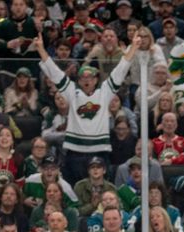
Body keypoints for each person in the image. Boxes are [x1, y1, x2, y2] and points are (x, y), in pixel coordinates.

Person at [35, 31, 141, 184]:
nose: (86, 80)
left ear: (96, 79)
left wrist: (134, 48)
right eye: (83, 77)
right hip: (74, 152)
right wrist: (40, 49)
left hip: (99, 150)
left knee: (99, 188)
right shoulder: (72, 91)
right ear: (78, 80)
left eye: (90, 77)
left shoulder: (105, 92)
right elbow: (55, 73)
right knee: (76, 190)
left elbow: (120, 71)